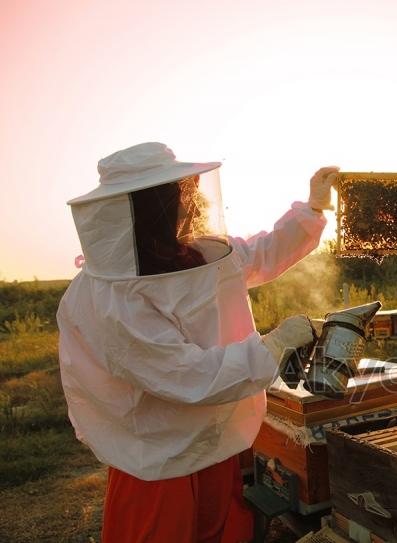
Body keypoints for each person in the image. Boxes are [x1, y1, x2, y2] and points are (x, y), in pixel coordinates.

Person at [57, 142, 339, 542]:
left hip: (218, 440)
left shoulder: (196, 255)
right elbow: (189, 376)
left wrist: (311, 209)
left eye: (186, 192)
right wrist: (275, 346)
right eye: (176, 196)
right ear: (144, 209)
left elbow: (262, 253)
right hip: (159, 462)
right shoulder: (109, 299)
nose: (188, 204)